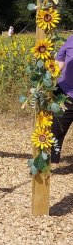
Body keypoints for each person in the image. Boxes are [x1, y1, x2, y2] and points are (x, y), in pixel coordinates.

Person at [51, 34, 73, 164]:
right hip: (65, 94)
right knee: (56, 130)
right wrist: (46, 79)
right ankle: (47, 165)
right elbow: (59, 63)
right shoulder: (71, 40)